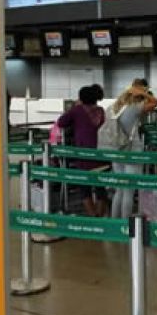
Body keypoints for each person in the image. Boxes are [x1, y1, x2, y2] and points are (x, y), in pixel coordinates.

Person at [109, 84, 157, 219]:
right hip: (132, 151)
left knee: (119, 190)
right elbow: (156, 102)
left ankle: (114, 222)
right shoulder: (135, 108)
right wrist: (144, 93)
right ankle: (126, 225)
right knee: (128, 191)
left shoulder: (115, 107)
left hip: (116, 151)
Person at [56, 85, 108, 217]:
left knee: (85, 188)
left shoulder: (77, 110)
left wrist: (75, 106)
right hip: (100, 153)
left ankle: (93, 217)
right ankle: (100, 217)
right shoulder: (101, 111)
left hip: (83, 154)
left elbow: (61, 122)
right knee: (100, 187)